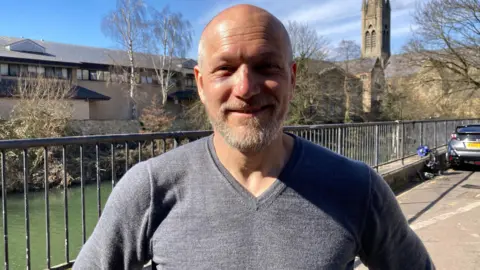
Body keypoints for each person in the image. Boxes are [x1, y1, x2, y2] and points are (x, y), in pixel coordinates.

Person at [73, 4, 434, 270]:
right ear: (200, 84)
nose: (245, 88)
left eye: (266, 67)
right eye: (225, 69)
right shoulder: (150, 189)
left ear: (292, 78)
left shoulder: (358, 187)